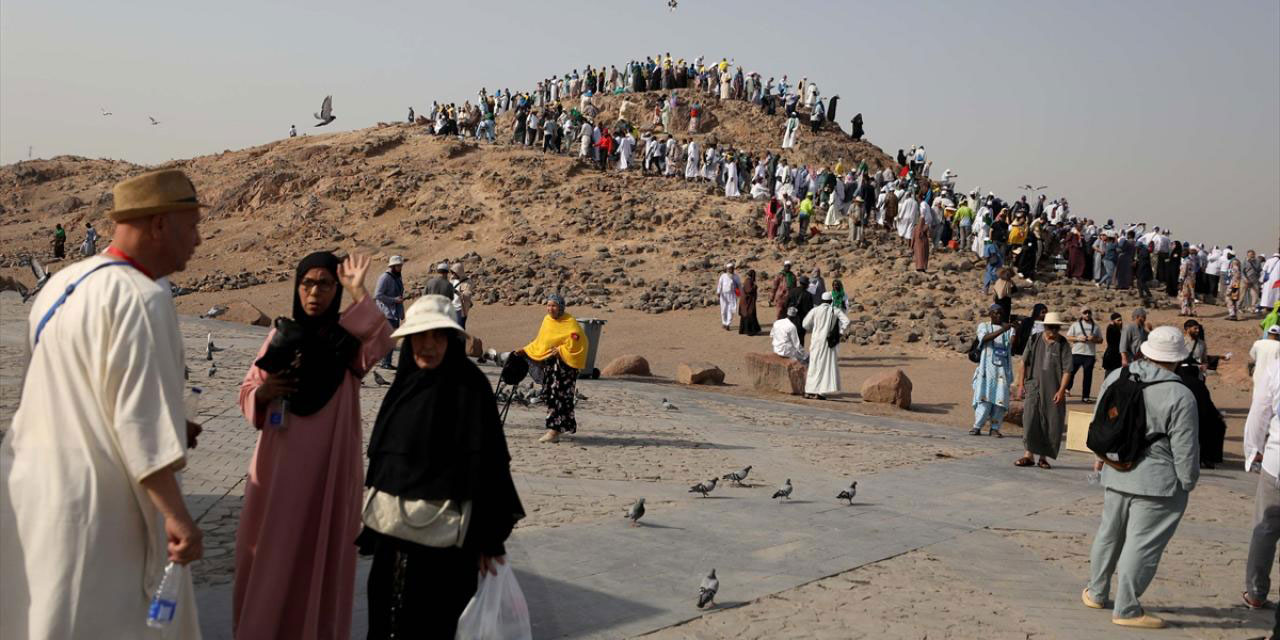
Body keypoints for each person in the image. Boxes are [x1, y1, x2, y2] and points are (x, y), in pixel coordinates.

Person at [1, 169, 206, 638]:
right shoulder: (142, 297)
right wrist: (178, 517)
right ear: (158, 225)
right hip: (100, 512)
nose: (198, 239)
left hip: (32, 498)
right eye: (190, 224)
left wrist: (174, 421)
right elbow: (141, 426)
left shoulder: (59, 285)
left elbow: (76, 394)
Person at [234, 251, 394, 640]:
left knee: (318, 555)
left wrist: (359, 292)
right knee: (269, 551)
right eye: (307, 283)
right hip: (278, 467)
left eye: (325, 284)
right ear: (297, 287)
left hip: (329, 468)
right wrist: (265, 391)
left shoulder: (347, 342)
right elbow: (248, 390)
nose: (315, 292)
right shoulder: (280, 336)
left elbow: (384, 340)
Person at [357, 295, 525, 639]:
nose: (429, 345)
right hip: (393, 539)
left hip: (448, 549)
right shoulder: (405, 386)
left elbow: (490, 466)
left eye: (438, 336)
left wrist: (489, 540)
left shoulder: (470, 388)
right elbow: (383, 460)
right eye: (420, 336)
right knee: (384, 625)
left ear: (451, 340)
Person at [1083, 326, 1199, 629]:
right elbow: (1185, 448)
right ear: (1176, 360)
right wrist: (1187, 482)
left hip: (1116, 470)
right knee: (1142, 544)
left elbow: (1101, 423)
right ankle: (1127, 609)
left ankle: (1096, 592)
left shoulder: (1117, 376)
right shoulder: (1180, 394)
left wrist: (1100, 461)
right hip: (1157, 481)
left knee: (1109, 534)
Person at [514, 294, 587, 444]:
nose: (550, 309)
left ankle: (554, 431)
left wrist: (561, 350)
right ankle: (560, 428)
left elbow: (580, 342)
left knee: (559, 397)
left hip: (564, 369)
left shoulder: (570, 322)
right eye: (548, 305)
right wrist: (526, 350)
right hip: (550, 366)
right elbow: (540, 342)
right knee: (550, 395)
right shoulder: (547, 321)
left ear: (561, 307)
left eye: (554, 306)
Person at [1243, 353, 1280, 610]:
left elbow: (1259, 411)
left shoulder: (1277, 368)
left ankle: (1256, 592)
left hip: (1277, 463)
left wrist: (1253, 450)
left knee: (1266, 529)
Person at [1015, 312, 1072, 469]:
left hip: (1053, 388)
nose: (1053, 331)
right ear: (1045, 327)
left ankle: (1043, 457)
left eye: (1056, 328)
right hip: (1034, 385)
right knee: (1030, 419)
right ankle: (1028, 455)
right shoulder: (1034, 339)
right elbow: (1023, 362)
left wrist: (1061, 390)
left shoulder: (1063, 344)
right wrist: (1021, 385)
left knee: (1050, 421)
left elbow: (1067, 370)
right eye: (1050, 327)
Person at [972, 304, 1015, 437]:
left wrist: (1014, 331)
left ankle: (995, 427)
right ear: (990, 314)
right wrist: (1003, 329)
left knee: (1000, 400)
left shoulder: (1009, 329)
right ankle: (977, 426)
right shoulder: (983, 326)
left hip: (1002, 371)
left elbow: (1012, 346)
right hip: (986, 370)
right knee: (984, 399)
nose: (998, 315)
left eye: (1001, 313)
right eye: (995, 313)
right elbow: (984, 339)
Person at [802, 292, 850, 399]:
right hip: (828, 342)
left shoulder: (815, 310)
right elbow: (846, 321)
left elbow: (805, 324)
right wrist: (840, 332)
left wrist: (814, 327)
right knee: (825, 366)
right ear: (831, 301)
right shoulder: (835, 310)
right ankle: (820, 392)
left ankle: (809, 390)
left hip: (815, 341)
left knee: (814, 365)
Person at [1066, 307, 1104, 403]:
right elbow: (1068, 337)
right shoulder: (1075, 325)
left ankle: (1085, 396)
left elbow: (1101, 340)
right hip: (1076, 353)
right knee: (1071, 373)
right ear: (1081, 314)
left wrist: (1093, 339)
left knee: (1088, 376)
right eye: (1085, 312)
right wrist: (1078, 338)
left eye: (1089, 312)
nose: (1087, 314)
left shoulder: (1096, 326)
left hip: (1089, 354)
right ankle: (1067, 388)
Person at [375, 255, 406, 368]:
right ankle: (385, 362)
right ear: (393, 266)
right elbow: (378, 295)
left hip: (394, 313)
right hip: (386, 313)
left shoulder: (397, 277)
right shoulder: (385, 277)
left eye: (401, 265)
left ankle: (386, 361)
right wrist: (394, 300)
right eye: (398, 266)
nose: (400, 268)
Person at [716, 262, 740, 331]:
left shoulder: (736, 276)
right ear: (727, 269)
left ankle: (728, 324)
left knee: (731, 310)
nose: (731, 270)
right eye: (729, 269)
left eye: (732, 268)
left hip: (732, 295)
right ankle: (724, 322)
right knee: (723, 310)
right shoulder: (723, 276)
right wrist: (718, 292)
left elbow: (739, 285)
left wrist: (740, 293)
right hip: (723, 295)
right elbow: (720, 284)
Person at [450, 262, 473, 329]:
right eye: (452, 272)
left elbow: (467, 295)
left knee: (460, 329)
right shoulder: (452, 279)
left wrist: (456, 292)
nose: (453, 274)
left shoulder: (468, 282)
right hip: (452, 308)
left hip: (461, 309)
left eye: (454, 272)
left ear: (459, 272)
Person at [1102, 312, 1124, 379]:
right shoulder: (1111, 328)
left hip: (1116, 356)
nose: (1120, 322)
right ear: (1112, 321)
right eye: (1118, 320)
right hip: (1111, 357)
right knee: (1109, 377)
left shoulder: (1117, 329)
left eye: (1121, 320)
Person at [738, 269, 760, 335]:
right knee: (749, 314)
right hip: (747, 302)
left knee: (749, 314)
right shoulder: (748, 281)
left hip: (748, 301)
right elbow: (749, 290)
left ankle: (749, 330)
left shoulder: (749, 281)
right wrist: (755, 287)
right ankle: (749, 331)